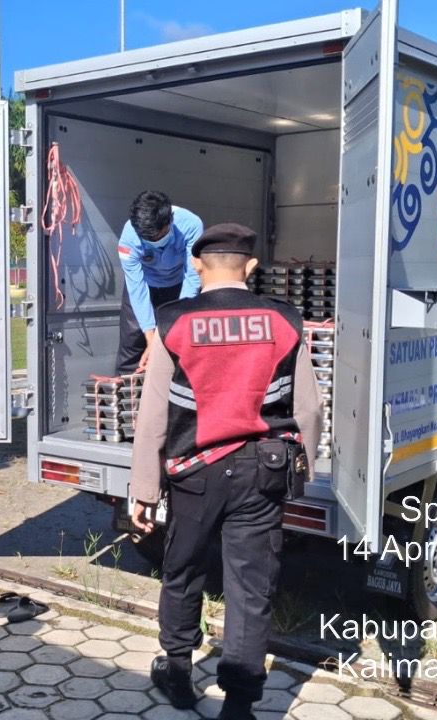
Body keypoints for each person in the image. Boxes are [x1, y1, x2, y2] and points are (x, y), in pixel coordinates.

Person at [128, 223, 322, 719]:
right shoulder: (283, 319)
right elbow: (309, 408)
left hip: (195, 472)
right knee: (251, 587)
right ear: (250, 266)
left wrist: (144, 489)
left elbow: (153, 415)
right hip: (263, 471)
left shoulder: (173, 321)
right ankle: (239, 703)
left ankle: (177, 672)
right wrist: (302, 470)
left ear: (197, 265)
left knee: (183, 570)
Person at [116, 191, 204, 374]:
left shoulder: (191, 225)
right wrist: (150, 337)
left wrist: (174, 318)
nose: (154, 241)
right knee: (132, 341)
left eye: (158, 236)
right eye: (148, 239)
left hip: (179, 286)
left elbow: (192, 276)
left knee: (176, 338)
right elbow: (136, 287)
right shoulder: (129, 238)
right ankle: (128, 386)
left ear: (169, 221)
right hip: (144, 285)